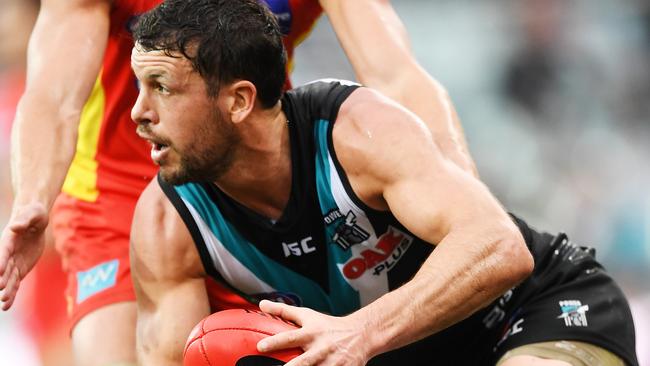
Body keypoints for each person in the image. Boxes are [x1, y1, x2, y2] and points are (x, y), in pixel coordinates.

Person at [129, 1, 638, 366]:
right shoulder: (163, 224)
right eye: (138, 86)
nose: (138, 113)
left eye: (162, 88)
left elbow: (500, 247)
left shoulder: (354, 131)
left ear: (238, 101)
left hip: (534, 312)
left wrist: (358, 333)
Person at [0, 0, 475, 365]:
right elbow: (52, 95)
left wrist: (460, 184)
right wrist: (33, 199)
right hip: (113, 195)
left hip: (247, 184)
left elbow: (395, 73)